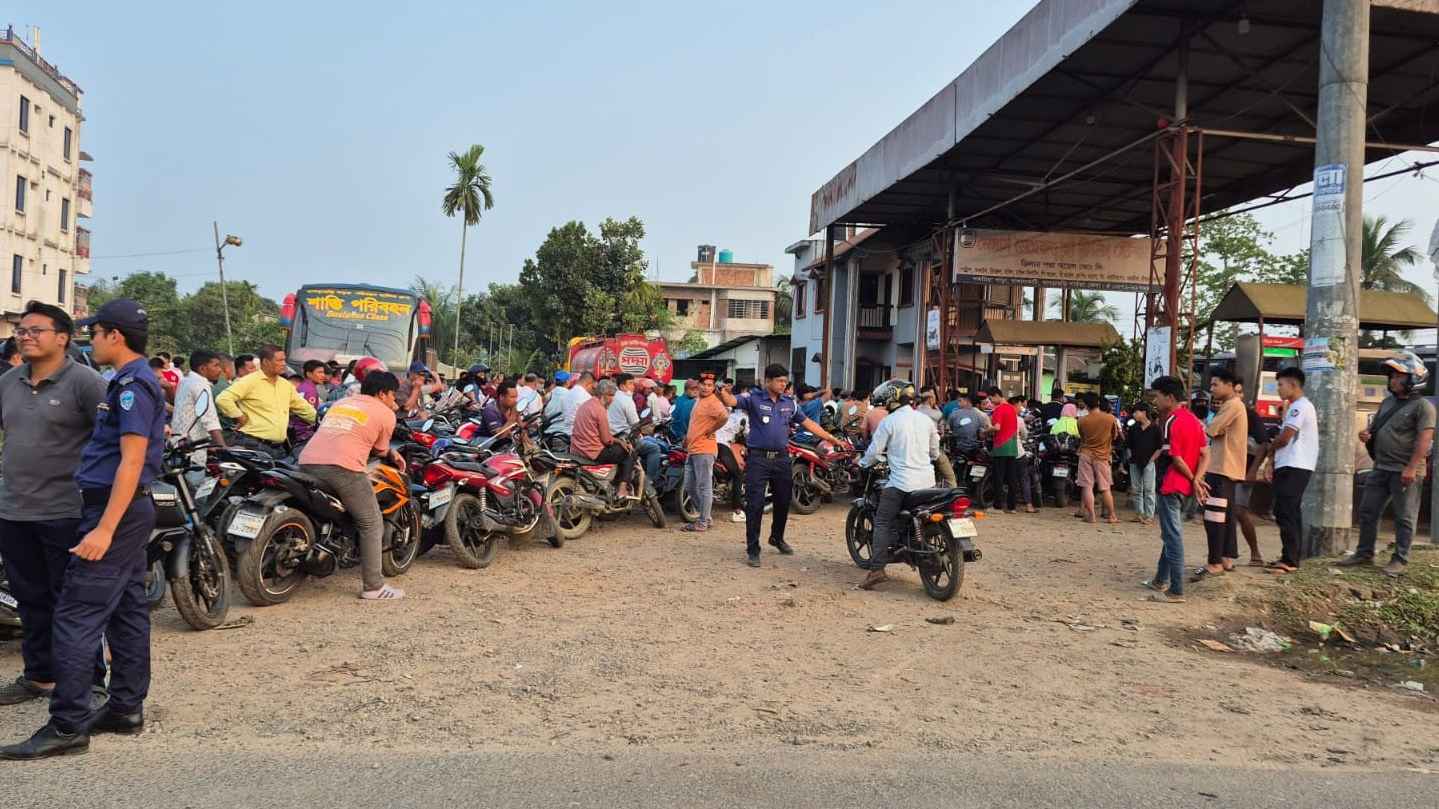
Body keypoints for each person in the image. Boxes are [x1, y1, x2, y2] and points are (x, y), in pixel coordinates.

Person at [1, 299, 167, 759]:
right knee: (128, 608)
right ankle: (125, 707)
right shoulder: (128, 382)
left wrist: (104, 530)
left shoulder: (131, 385)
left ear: (114, 335)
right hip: (109, 509)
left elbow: (131, 462)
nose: (90, 340)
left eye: (94, 333)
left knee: (75, 616)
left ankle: (68, 724)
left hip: (111, 511)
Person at [0, 302, 110, 710]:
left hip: (67, 511)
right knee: (30, 599)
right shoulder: (7, 382)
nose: (24, 336)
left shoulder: (86, 383)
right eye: (21, 331)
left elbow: (111, 442)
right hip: (14, 510)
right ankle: (39, 676)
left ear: (62, 337)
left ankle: (92, 681)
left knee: (76, 602)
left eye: (35, 330)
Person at [297, 370, 407, 601]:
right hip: (343, 468)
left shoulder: (342, 403)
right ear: (382, 393)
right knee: (371, 522)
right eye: (392, 394)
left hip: (307, 462)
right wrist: (394, 454)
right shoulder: (385, 413)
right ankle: (374, 587)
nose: (394, 399)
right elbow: (380, 450)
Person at [733, 365, 844, 567]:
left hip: (782, 458)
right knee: (755, 504)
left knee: (783, 501)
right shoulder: (753, 399)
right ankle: (753, 549)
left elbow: (807, 423)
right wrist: (719, 390)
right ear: (768, 381)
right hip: (758, 459)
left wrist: (830, 438)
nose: (784, 385)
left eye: (785, 381)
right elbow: (732, 401)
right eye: (780, 381)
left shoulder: (789, 403)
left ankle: (777, 537)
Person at [1341, 350, 1435, 577]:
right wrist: (1367, 435)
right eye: (1391, 377)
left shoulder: (1424, 407)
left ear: (1414, 378)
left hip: (1405, 471)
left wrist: (1412, 467)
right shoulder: (1388, 402)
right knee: (1368, 510)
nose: (1393, 381)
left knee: (1404, 517)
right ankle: (1364, 553)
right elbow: (1375, 429)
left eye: (1398, 377)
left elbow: (1424, 441)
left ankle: (1400, 559)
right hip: (1381, 468)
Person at [857, 379, 941, 591]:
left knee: (882, 521)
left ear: (892, 398)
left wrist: (862, 462)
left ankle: (876, 570)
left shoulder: (890, 421)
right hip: (928, 483)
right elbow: (935, 452)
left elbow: (875, 451)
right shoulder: (925, 420)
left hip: (902, 483)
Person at [1142, 375, 1209, 604]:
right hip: (1186, 488)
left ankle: (1176, 590)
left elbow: (1176, 458)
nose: (1156, 401)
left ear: (1169, 398)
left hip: (1172, 484)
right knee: (1171, 533)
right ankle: (1161, 580)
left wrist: (1193, 479)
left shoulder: (1172, 421)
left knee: (1173, 536)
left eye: (1158, 397)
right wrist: (1197, 480)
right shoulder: (1194, 421)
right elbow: (1205, 454)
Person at [215, 345, 317, 457]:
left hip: (278, 448)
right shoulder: (250, 381)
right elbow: (223, 399)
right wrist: (239, 416)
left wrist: (324, 422)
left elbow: (304, 409)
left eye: (284, 360)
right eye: (279, 360)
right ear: (266, 362)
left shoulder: (285, 385)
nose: (283, 363)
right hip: (253, 444)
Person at [1194, 369, 1247, 581]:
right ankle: (1225, 558)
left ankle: (1215, 561)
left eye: (1215, 384)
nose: (1212, 389)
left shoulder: (1232, 405)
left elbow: (1211, 430)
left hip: (1221, 468)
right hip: (1226, 468)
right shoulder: (1233, 406)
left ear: (1228, 384)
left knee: (1214, 517)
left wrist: (1209, 426)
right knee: (1226, 517)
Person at [1264, 367, 1317, 574]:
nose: (1278, 389)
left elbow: (1285, 437)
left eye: (1280, 384)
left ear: (1293, 385)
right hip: (1289, 464)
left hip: (1296, 464)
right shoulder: (1294, 407)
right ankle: (1290, 555)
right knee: (1287, 510)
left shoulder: (1300, 407)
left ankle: (1291, 559)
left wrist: (1270, 446)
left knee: (1286, 510)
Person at [681, 373, 736, 533]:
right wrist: (687, 438)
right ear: (699, 385)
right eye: (704, 384)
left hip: (704, 449)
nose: (706, 387)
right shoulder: (699, 399)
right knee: (690, 486)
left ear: (713, 388)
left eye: (710, 385)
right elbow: (695, 422)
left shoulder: (713, 402)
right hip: (693, 448)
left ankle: (703, 521)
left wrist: (712, 429)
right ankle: (706, 517)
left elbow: (724, 416)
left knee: (704, 487)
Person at [571, 378, 635, 499]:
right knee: (629, 453)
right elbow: (606, 440)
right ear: (604, 395)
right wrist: (620, 441)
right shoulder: (600, 410)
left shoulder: (585, 405)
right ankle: (622, 489)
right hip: (592, 452)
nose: (612, 399)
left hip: (577, 449)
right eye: (611, 396)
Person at [170, 349, 226, 483]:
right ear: (202, 368)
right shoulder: (200, 385)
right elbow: (210, 420)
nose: (220, 370)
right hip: (192, 450)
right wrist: (224, 450)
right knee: (195, 497)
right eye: (216, 365)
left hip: (180, 445)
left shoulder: (186, 381)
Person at [1230, 380, 1270, 567]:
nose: (1236, 396)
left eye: (1239, 392)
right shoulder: (1224, 413)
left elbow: (1264, 444)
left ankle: (1255, 554)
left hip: (1244, 471)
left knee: (1239, 510)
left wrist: (1253, 470)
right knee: (1226, 512)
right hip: (1227, 470)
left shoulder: (1250, 416)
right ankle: (1226, 555)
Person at [609, 374, 663, 494]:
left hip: (611, 437)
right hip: (625, 439)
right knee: (654, 448)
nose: (633, 386)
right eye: (630, 383)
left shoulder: (611, 397)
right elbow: (635, 423)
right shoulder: (627, 400)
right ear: (622, 386)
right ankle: (649, 481)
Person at [1076, 393, 1121, 524]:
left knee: (1087, 486)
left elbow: (1083, 438)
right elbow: (1115, 436)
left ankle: (1091, 516)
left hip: (1085, 454)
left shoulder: (1081, 421)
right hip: (1102, 455)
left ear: (1086, 405)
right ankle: (1112, 516)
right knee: (1105, 487)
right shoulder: (1110, 418)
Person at [986, 387, 1025, 514]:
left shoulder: (999, 409)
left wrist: (985, 431)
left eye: (991, 398)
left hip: (1001, 446)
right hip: (1013, 447)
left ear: (996, 395)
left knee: (999, 478)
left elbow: (997, 427)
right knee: (1011, 478)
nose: (990, 401)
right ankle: (1012, 507)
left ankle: (997, 507)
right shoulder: (1011, 409)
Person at [1126, 403, 1161, 526]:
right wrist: (1130, 457)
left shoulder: (1155, 428)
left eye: (1136, 412)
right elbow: (1128, 445)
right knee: (1136, 489)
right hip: (1135, 462)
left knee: (1149, 489)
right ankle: (1139, 514)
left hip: (1149, 463)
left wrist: (1151, 460)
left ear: (1144, 412)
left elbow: (1159, 447)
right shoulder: (1133, 428)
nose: (1134, 415)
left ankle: (1149, 515)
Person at [716, 407, 749, 523]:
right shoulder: (743, 417)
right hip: (721, 445)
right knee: (738, 474)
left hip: (706, 442)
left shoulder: (723, 411)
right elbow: (747, 434)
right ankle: (737, 510)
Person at [290, 360, 329, 443]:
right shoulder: (310, 391)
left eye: (323, 372)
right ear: (309, 374)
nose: (323, 375)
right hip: (303, 433)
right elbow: (309, 414)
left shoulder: (303, 386)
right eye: (319, 372)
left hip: (295, 430)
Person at [669, 378, 699, 444]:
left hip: (677, 435)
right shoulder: (688, 402)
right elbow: (682, 420)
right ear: (686, 390)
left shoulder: (678, 399)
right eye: (692, 389)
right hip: (682, 436)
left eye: (697, 389)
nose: (696, 391)